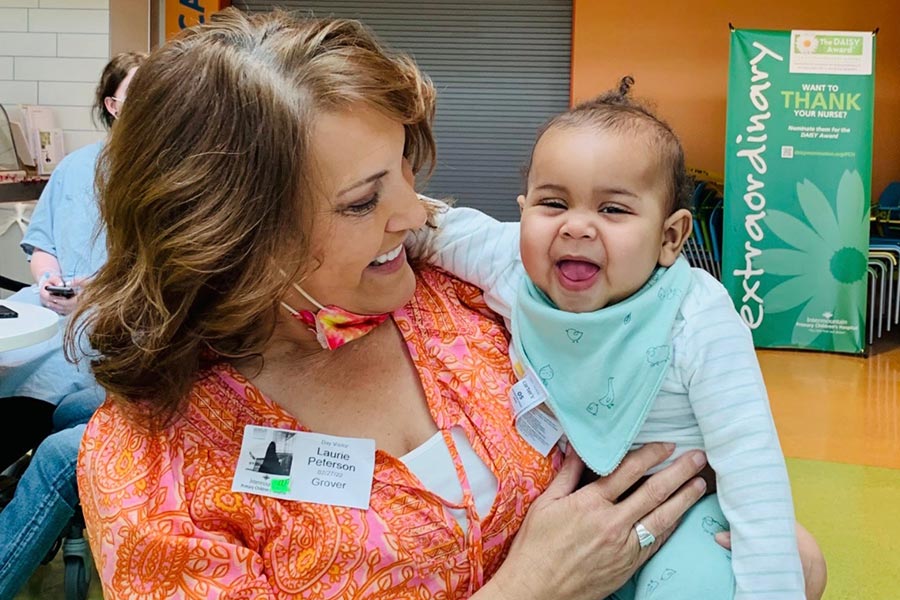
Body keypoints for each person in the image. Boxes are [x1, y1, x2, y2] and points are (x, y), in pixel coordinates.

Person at [73, 10, 824, 599]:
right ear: (235, 240)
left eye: (405, 165)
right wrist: (530, 589)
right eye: (365, 200)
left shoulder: (463, 300)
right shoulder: (155, 466)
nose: (414, 212)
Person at [410, 78, 810, 599]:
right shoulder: (511, 262)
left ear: (670, 237)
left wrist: (772, 587)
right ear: (523, 208)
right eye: (552, 203)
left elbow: (750, 459)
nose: (577, 227)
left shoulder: (696, 315)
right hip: (573, 524)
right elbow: (432, 226)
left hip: (680, 515)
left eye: (613, 209)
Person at [0, 51, 145, 599]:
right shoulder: (76, 168)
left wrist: (104, 291)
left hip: (124, 331)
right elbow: (41, 240)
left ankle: (57, 494)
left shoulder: (178, 173)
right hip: (60, 319)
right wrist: (48, 279)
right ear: (113, 105)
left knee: (71, 410)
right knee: (21, 378)